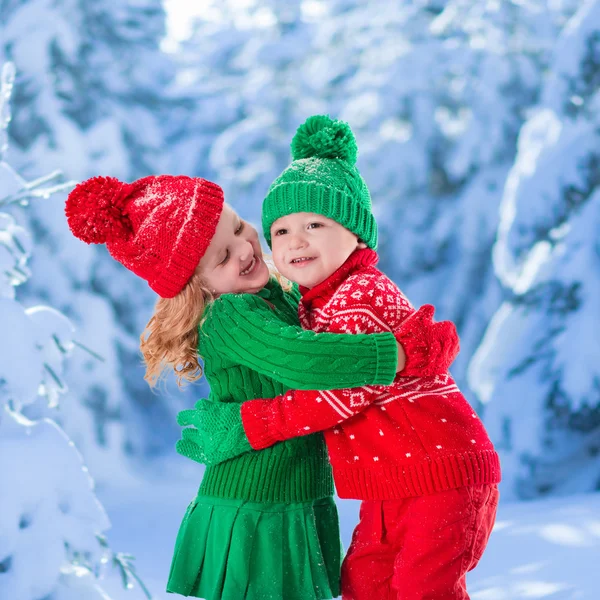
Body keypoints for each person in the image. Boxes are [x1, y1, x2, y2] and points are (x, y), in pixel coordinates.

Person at [181, 115, 501, 600]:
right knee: (365, 582)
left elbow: (340, 382)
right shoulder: (312, 301)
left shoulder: (359, 292)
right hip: (393, 479)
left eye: (315, 224)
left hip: (441, 473)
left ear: (356, 233)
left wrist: (250, 424)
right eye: (281, 231)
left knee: (422, 586)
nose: (295, 241)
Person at [64, 173, 421, 600]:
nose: (245, 249)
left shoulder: (274, 295)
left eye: (237, 228)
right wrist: (398, 354)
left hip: (290, 495)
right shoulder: (232, 314)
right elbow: (307, 360)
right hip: (258, 508)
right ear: (197, 286)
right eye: (221, 258)